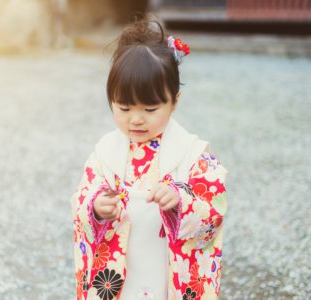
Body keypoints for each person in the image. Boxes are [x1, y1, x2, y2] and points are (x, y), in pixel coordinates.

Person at [70, 16, 229, 300]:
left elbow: (214, 209)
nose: (136, 119)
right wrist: (96, 207)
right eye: (124, 107)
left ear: (174, 101)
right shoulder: (105, 152)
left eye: (151, 108)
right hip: (120, 270)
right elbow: (82, 198)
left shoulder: (193, 154)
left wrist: (182, 201)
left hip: (166, 269)